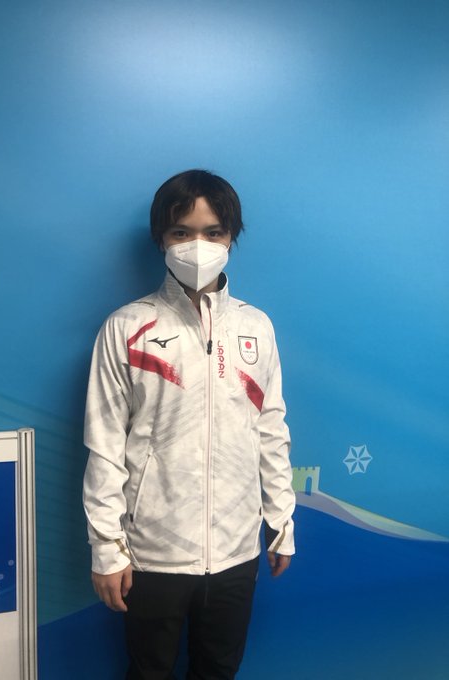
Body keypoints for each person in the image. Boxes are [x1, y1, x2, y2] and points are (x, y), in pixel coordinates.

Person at [83, 169, 295, 679]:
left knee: (218, 670)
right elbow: (105, 443)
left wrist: (281, 520)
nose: (198, 246)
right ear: (161, 237)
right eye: (182, 232)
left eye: (213, 232)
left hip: (236, 549)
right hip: (152, 551)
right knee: (149, 672)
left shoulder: (255, 326)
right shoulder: (127, 327)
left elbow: (270, 429)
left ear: (231, 237)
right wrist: (106, 547)